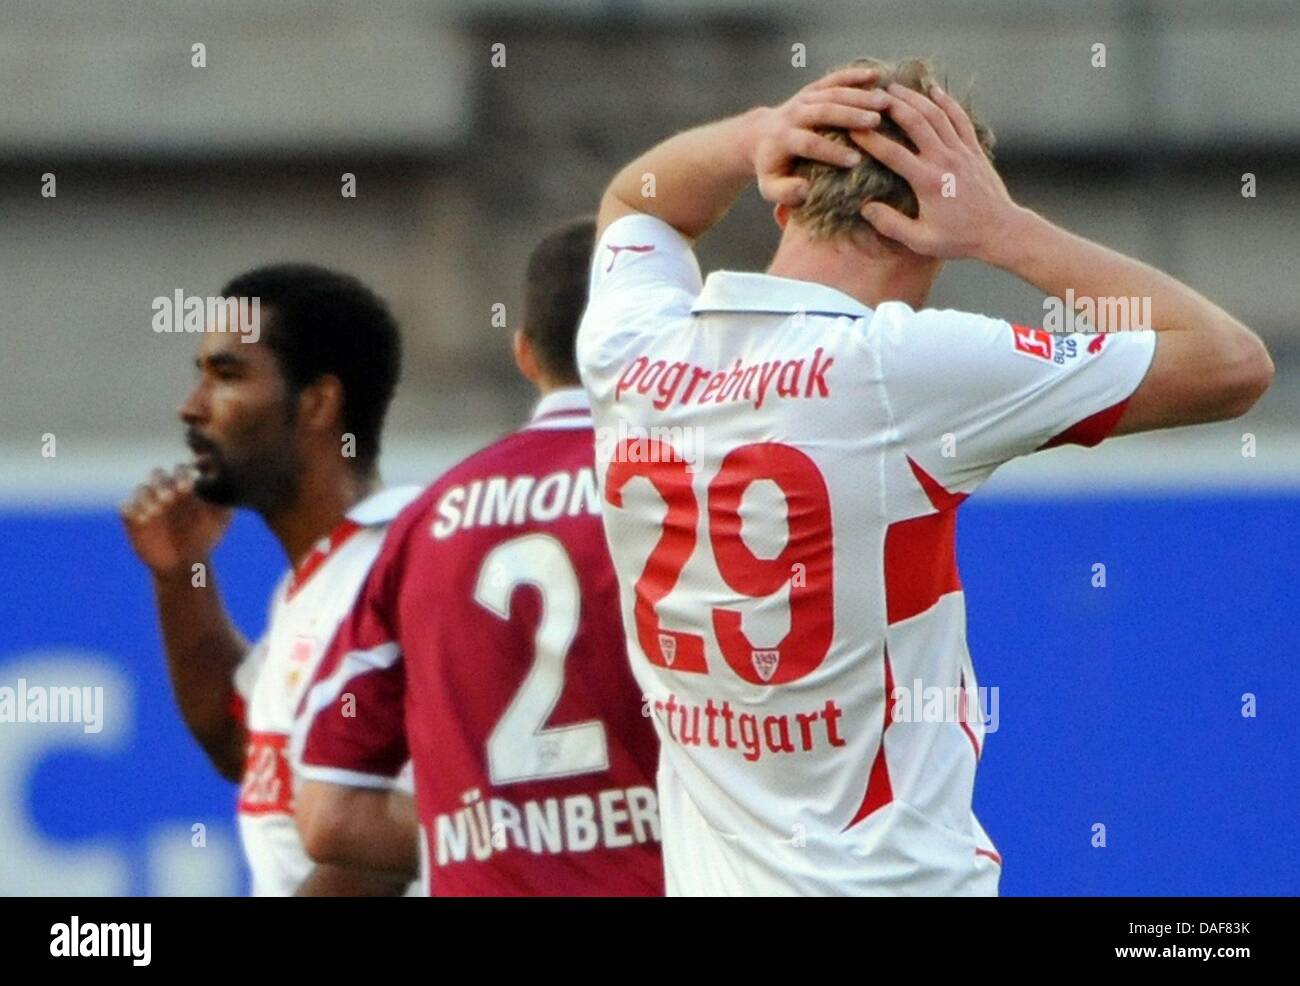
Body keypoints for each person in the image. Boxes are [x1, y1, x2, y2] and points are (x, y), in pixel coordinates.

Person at [574, 59, 1273, 896]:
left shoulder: (634, 351)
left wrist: (755, 129)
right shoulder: (901, 367)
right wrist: (1006, 230)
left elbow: (637, 203)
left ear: (783, 194)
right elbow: (1231, 363)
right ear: (936, 217)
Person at [293, 219, 664, 896]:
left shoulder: (422, 524)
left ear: (524, 353)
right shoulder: (687, 491)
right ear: (671, 338)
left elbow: (331, 818)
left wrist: (499, 832)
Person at [120, 264, 420, 896]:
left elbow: (381, 853)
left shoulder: (404, 563)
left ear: (316, 403)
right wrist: (182, 578)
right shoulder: (320, 577)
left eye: (227, 375)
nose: (192, 406)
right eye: (199, 374)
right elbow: (240, 743)